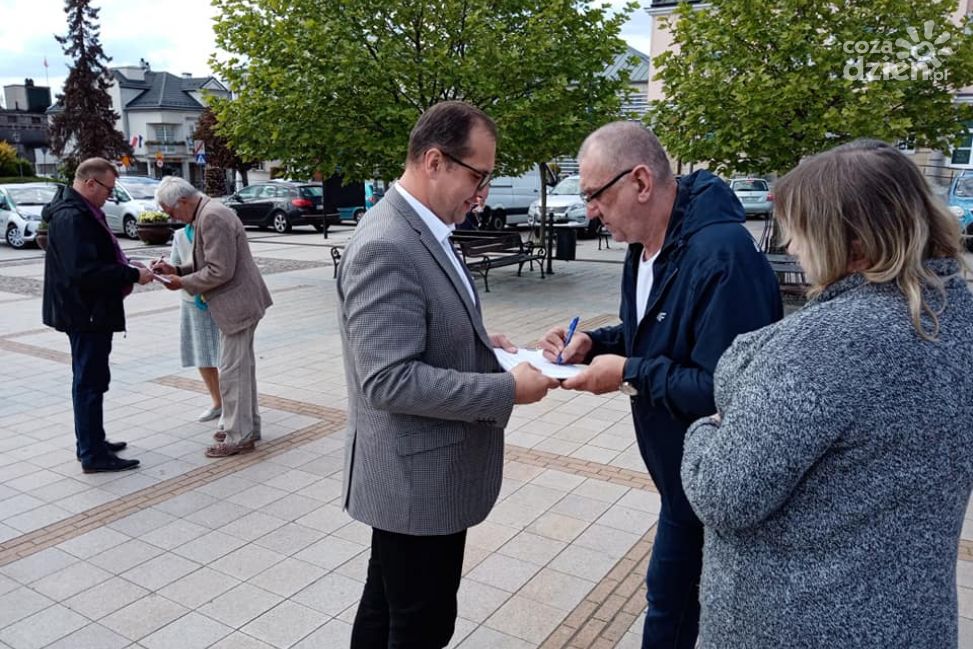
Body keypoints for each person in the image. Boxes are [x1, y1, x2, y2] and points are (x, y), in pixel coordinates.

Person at [680, 140, 973, 648]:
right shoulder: (957, 317)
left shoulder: (822, 346)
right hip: (914, 620)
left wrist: (704, 432)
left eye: (802, 230)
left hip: (796, 626)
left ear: (851, 239)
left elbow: (723, 496)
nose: (791, 246)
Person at [539, 121, 782, 649]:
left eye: (595, 196)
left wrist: (628, 371)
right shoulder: (645, 245)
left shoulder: (723, 256)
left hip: (714, 484)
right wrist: (598, 343)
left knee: (670, 607)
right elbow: (661, 330)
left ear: (641, 182)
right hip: (679, 478)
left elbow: (732, 392)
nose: (590, 212)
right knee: (671, 602)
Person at [337, 101, 558, 649]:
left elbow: (429, 327)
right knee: (419, 626)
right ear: (434, 161)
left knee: (387, 608)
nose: (481, 194)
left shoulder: (424, 228)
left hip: (421, 478)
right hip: (416, 483)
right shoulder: (387, 243)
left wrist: (486, 344)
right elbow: (387, 379)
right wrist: (507, 388)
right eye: (477, 176)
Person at [41, 157, 152, 473]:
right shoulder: (73, 218)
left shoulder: (79, 212)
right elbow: (84, 271)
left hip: (86, 310)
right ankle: (92, 453)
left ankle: (93, 441)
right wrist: (130, 275)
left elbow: (96, 257)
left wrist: (128, 265)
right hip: (84, 312)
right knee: (89, 382)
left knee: (92, 379)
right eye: (108, 189)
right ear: (90, 183)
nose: (110, 196)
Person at [150, 177, 272, 458]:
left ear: (182, 201)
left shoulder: (211, 216)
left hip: (237, 305)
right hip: (240, 303)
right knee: (240, 369)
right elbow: (211, 262)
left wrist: (182, 282)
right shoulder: (208, 212)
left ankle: (238, 436)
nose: (172, 218)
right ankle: (246, 428)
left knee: (232, 372)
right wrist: (178, 270)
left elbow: (219, 271)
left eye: (170, 211)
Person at [168, 225, 222, 423]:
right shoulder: (180, 235)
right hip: (192, 301)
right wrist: (168, 274)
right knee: (201, 354)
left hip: (218, 301)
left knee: (227, 357)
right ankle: (218, 402)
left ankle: (233, 404)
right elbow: (176, 265)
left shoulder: (212, 230)